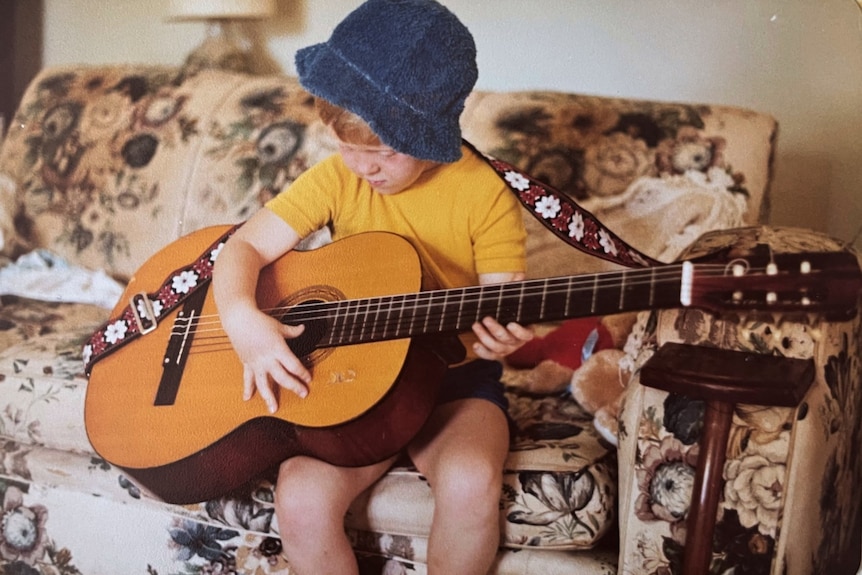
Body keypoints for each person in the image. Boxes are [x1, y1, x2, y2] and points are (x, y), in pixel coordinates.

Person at [212, 1, 533, 573]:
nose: (364, 167)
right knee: (301, 495)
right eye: (347, 146)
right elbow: (243, 247)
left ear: (432, 135)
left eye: (383, 150)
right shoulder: (338, 177)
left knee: (472, 478)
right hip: (355, 380)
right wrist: (241, 316)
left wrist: (501, 339)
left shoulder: (484, 190)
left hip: (455, 383)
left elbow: (501, 303)